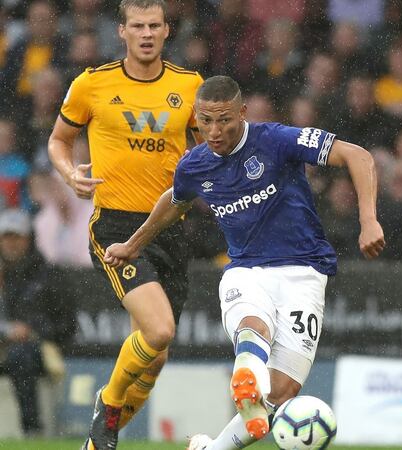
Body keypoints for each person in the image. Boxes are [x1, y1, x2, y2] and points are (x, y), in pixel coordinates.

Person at [103, 75, 385, 450]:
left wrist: (369, 220)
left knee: (280, 393)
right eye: (205, 121)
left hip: (306, 273)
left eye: (224, 120)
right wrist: (133, 244)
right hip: (246, 272)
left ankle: (213, 445)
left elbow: (357, 155)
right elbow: (174, 200)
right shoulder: (195, 165)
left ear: (242, 113)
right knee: (254, 326)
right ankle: (247, 377)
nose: (214, 131)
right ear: (196, 117)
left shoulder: (276, 140)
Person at [46, 1, 203, 449]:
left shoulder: (190, 86)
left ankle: (96, 444)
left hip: (169, 227)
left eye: (154, 25)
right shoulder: (92, 84)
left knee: (155, 356)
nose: (146, 33)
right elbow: (59, 140)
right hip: (115, 226)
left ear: (167, 31)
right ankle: (108, 403)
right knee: (159, 330)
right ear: (122, 31)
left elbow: (208, 148)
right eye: (138, 26)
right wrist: (69, 173)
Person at [0, 208, 76, 437]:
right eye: (6, 237)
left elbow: (67, 325)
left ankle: (32, 430)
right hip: (4, 344)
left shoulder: (48, 275)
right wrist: (7, 331)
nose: (11, 244)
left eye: (17, 237)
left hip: (41, 348)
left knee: (20, 356)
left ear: (29, 239)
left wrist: (33, 331)